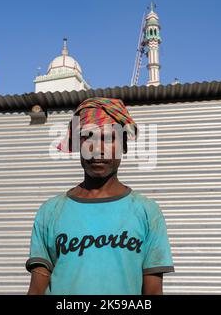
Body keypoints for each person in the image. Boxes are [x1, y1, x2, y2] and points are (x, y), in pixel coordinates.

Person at [26, 97, 174, 295]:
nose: (97, 148)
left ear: (124, 146)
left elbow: (153, 292)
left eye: (109, 138)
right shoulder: (50, 212)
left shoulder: (147, 212)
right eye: (88, 137)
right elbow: (36, 289)